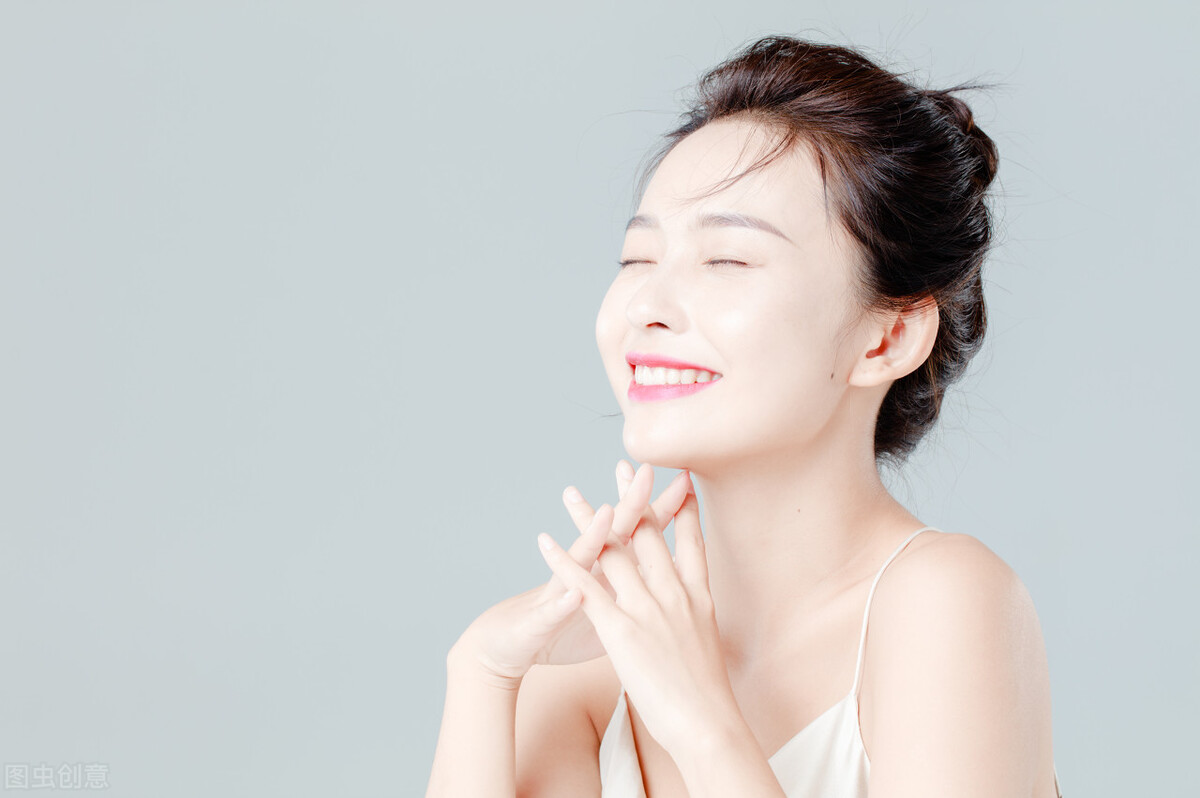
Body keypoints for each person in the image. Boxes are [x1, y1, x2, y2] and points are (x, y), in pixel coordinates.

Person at [425, 35, 1061, 798]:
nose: (648, 307)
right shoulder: (593, 657)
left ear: (887, 337)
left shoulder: (943, 602)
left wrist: (702, 725)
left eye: (726, 259)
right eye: (637, 259)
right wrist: (481, 671)